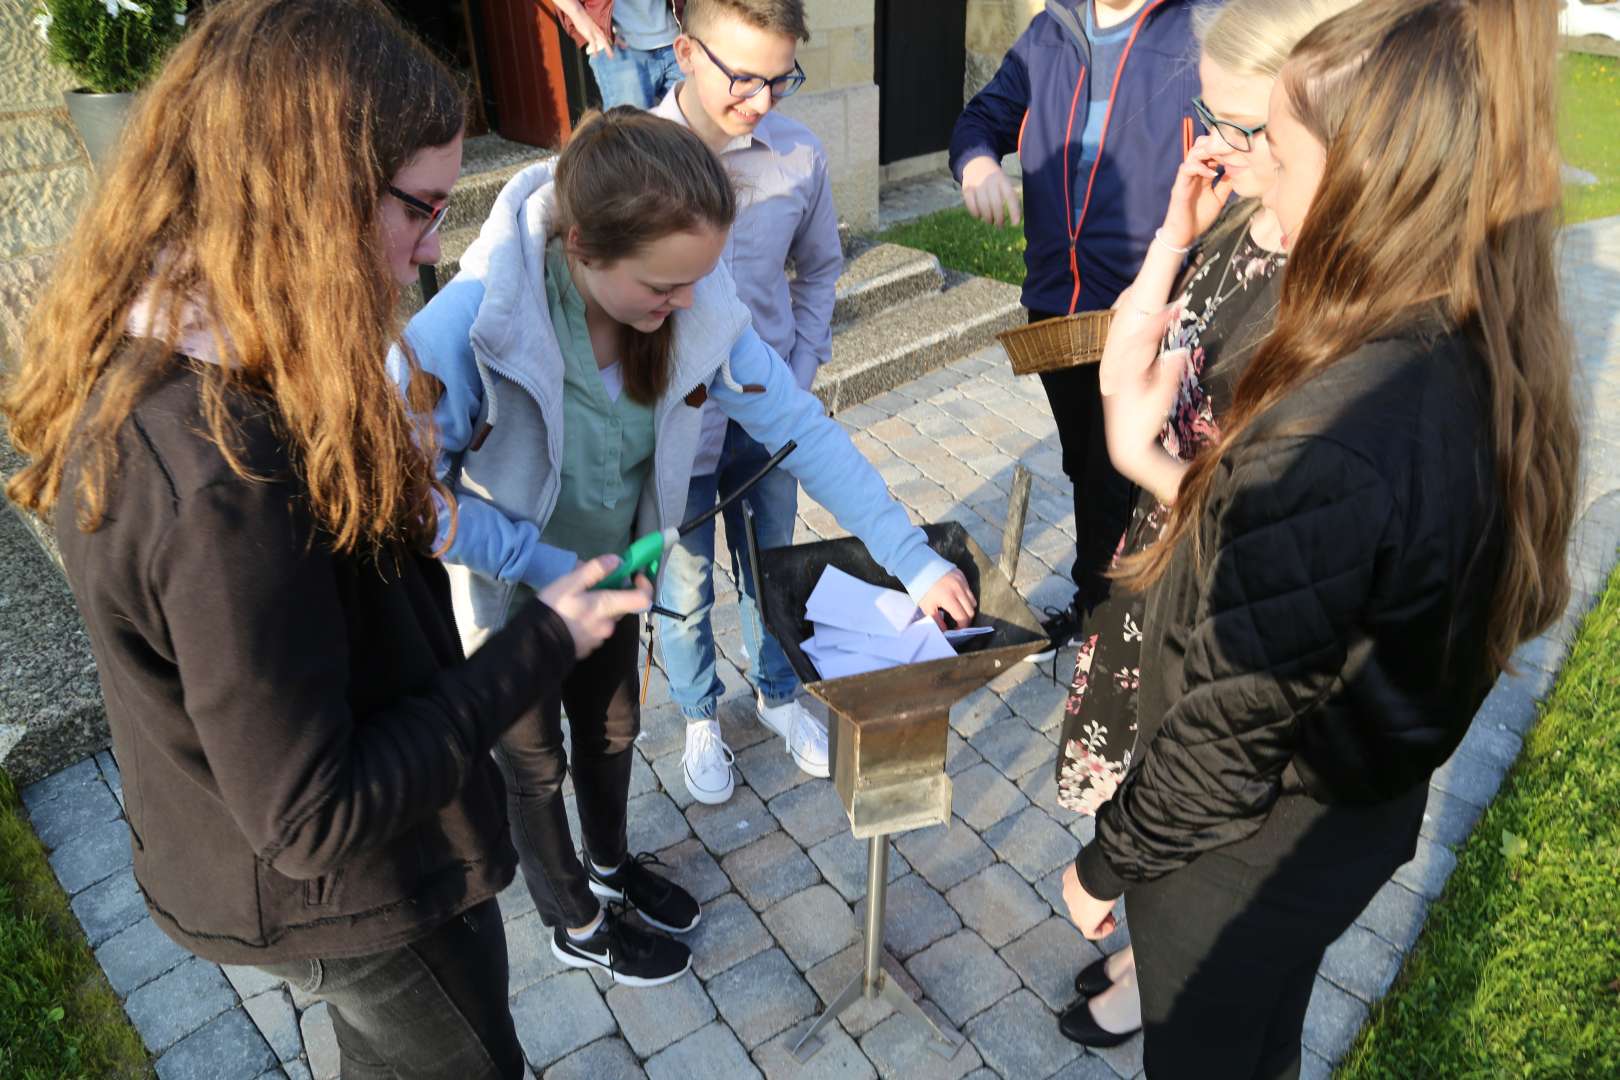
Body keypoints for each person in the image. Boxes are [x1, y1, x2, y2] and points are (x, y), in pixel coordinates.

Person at [0, 2, 651, 1077]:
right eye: (421, 208)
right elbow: (312, 814)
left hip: (308, 857)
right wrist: (543, 640)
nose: (434, 247)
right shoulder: (218, 480)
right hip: (356, 898)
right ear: (307, 194)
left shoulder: (222, 339)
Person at [1059, 0, 1579, 1074]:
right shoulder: (1464, 338)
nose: (1261, 188)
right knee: (1262, 1038)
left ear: (1365, 177)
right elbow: (1314, 589)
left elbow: (1221, 741)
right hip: (1345, 816)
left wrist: (1105, 865)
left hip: (1240, 853)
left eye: (1280, 154)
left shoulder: (1333, 429)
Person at [400, 108, 976, 988]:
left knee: (614, 727)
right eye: (663, 287)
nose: (686, 307)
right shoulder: (474, 321)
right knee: (535, 765)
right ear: (583, 246)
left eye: (700, 280)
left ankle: (609, 866)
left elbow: (801, 429)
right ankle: (574, 919)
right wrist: (539, 563)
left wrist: (914, 557)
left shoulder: (694, 302)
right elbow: (407, 498)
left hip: (617, 578)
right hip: (513, 600)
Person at [1045, 0, 1363, 1049]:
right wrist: (1174, 237)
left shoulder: (1330, 296)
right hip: (1161, 559)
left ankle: (1155, 966)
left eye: (1239, 126)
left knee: (1179, 792)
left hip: (1216, 590)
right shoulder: (1244, 215)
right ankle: (1145, 947)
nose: (1214, 146)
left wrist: (1142, 459)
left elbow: (1276, 534)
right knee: (1143, 774)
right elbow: (1130, 354)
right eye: (1208, 117)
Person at [949, 0, 1201, 659]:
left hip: (1145, 309)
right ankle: (1099, 608)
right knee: (1084, 464)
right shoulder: (1049, 32)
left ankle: (1114, 631)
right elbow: (982, 118)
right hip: (1058, 307)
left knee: (1122, 478)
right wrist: (977, 162)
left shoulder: (1201, 28)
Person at [648, 0, 842, 804]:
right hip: (673, 433)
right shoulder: (630, 157)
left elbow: (821, 269)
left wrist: (800, 371)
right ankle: (700, 714)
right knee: (683, 589)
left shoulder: (799, 154)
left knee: (773, 568)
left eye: (781, 79)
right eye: (744, 79)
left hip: (768, 419)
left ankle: (779, 693)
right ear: (686, 51)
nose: (762, 101)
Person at [549, 0, 686, 109]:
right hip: (617, 47)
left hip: (673, 39)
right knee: (632, 132)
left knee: (689, 131)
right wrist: (577, 14)